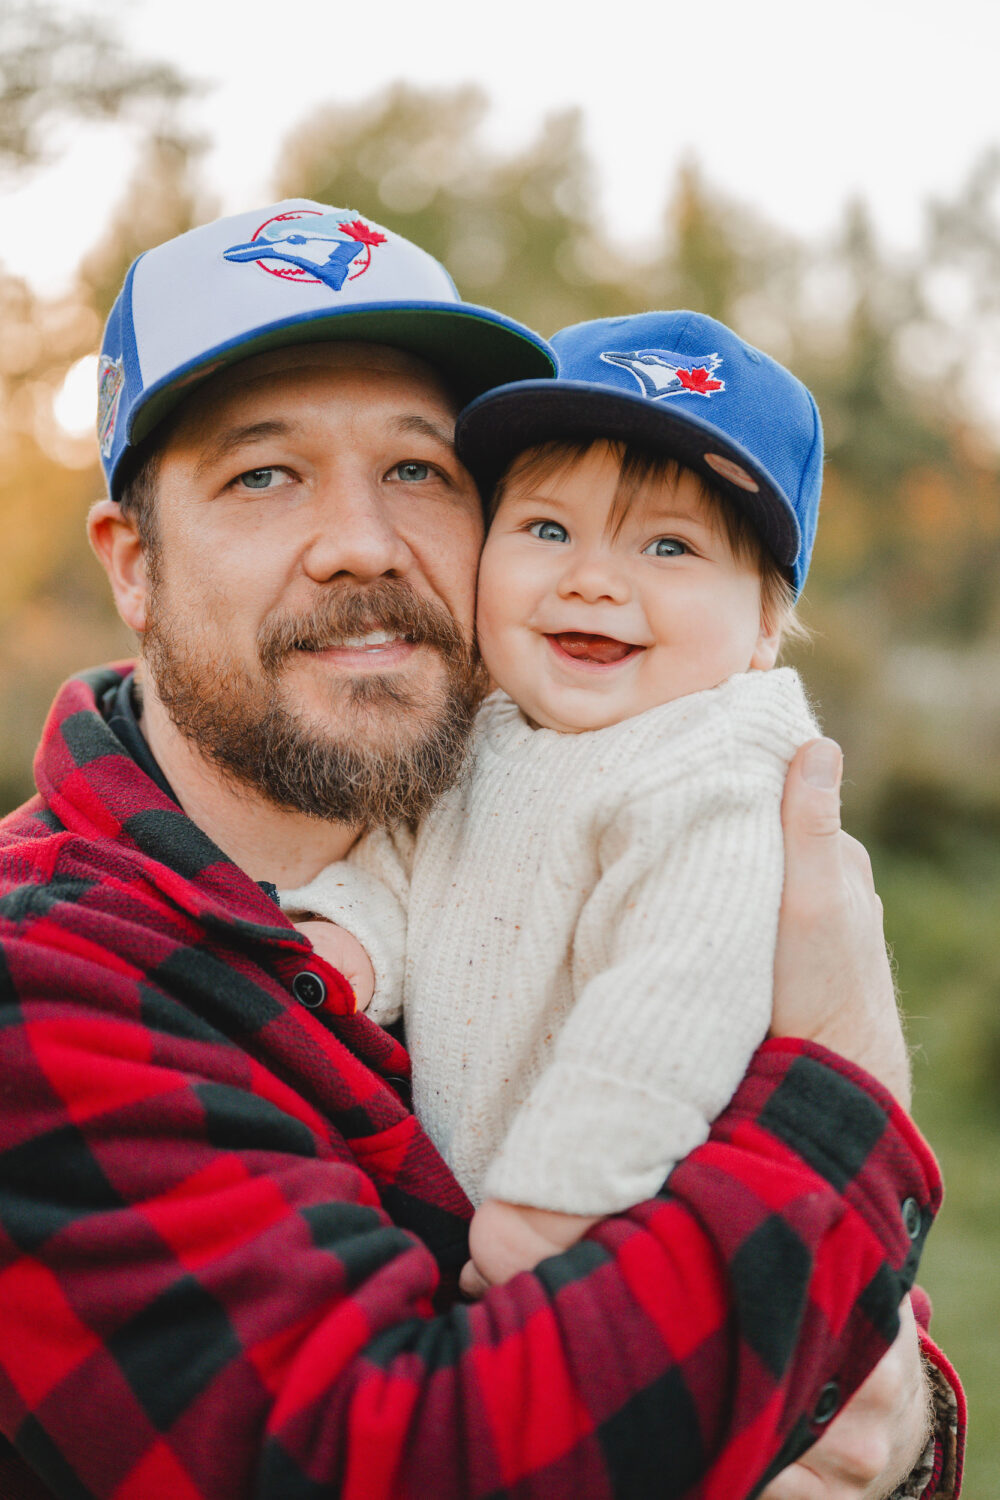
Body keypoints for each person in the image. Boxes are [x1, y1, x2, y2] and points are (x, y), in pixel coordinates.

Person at [0, 201, 962, 1500]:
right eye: (261, 475)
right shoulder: (45, 980)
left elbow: (855, 1389)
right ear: (133, 565)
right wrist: (843, 1084)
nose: (362, 543)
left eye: (419, 472)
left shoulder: (539, 806)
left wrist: (898, 1445)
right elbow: (421, 1460)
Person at [284, 310, 829, 1287]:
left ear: (762, 628)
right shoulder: (490, 731)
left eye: (668, 548)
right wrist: (348, 946)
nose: (591, 580)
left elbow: (676, 997)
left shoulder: (717, 765)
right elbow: (405, 865)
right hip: (463, 1207)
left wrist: (553, 1204)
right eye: (545, 528)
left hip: (615, 1224)